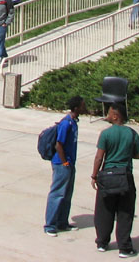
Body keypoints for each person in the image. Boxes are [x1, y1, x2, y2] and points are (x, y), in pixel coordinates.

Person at [91, 101, 139, 256]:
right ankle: (125, 247)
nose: (106, 115)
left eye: (108, 112)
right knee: (125, 212)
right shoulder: (132, 133)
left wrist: (94, 176)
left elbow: (99, 157)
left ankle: (102, 242)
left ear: (115, 116)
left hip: (107, 176)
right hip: (125, 176)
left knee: (104, 211)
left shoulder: (106, 134)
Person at [44, 95, 85, 236]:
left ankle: (62, 222)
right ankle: (50, 225)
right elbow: (59, 144)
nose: (84, 107)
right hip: (62, 164)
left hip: (69, 163)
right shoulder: (65, 123)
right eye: (82, 105)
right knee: (57, 193)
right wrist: (65, 162)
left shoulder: (74, 122)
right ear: (76, 107)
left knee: (67, 194)